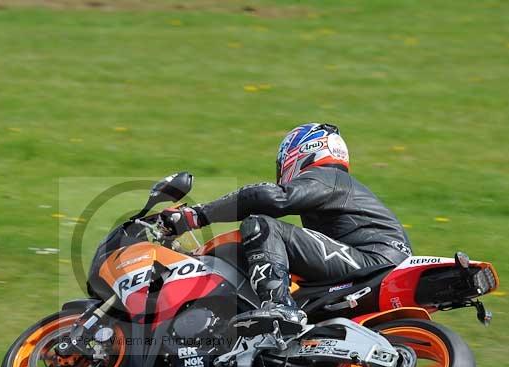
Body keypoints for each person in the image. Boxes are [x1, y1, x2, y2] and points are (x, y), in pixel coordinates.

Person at [160, 123, 412, 335]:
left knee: (262, 225)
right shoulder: (338, 189)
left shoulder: (328, 176)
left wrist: (194, 216)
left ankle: (280, 306)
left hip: (374, 259)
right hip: (375, 261)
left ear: (300, 152)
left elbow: (273, 197)